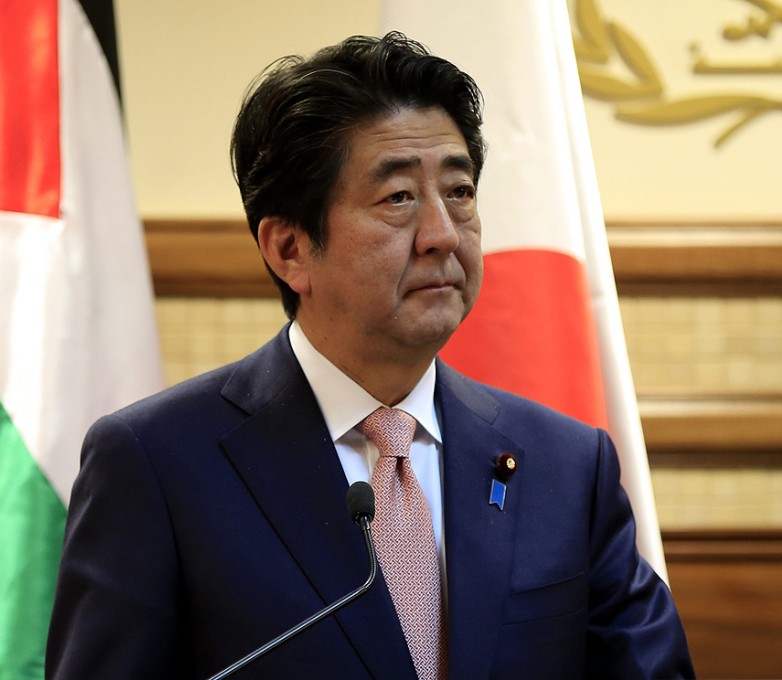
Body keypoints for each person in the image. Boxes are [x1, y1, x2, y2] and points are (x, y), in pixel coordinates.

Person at [46, 32, 696, 679]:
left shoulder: (566, 466)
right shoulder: (156, 465)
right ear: (289, 249)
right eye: (398, 199)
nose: (442, 235)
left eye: (459, 192)